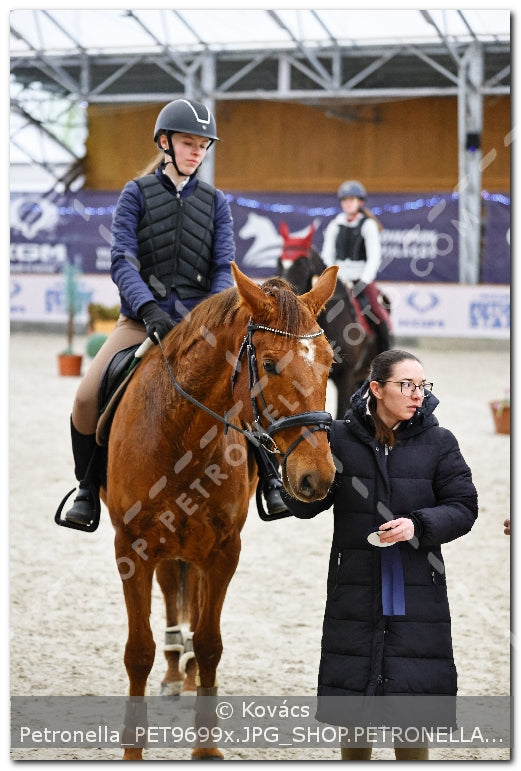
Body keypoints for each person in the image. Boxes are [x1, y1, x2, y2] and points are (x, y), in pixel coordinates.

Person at [64, 98, 288, 528]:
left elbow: (224, 266)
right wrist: (148, 309)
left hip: (201, 323)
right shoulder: (137, 194)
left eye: (203, 146)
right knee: (86, 397)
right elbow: (122, 260)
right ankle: (88, 490)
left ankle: (269, 480)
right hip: (140, 321)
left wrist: (209, 316)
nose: (196, 152)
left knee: (248, 386)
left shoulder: (215, 201)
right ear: (165, 143)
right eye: (189, 143)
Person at [281, 349, 478, 760]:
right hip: (354, 589)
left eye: (422, 386)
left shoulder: (440, 443)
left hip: (417, 591)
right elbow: (305, 504)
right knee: (353, 716)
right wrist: (291, 468)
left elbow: (464, 507)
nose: (417, 394)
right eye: (406, 385)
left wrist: (417, 525)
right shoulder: (336, 437)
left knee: (413, 714)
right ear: (376, 388)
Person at [321, 180, 391, 351]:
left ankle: (386, 351)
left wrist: (364, 281)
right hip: (339, 278)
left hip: (361, 277)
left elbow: (374, 257)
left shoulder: (368, 225)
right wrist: (334, 277)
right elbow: (327, 255)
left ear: (360, 202)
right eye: (344, 200)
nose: (348, 203)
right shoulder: (335, 225)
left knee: (375, 311)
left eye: (351, 199)